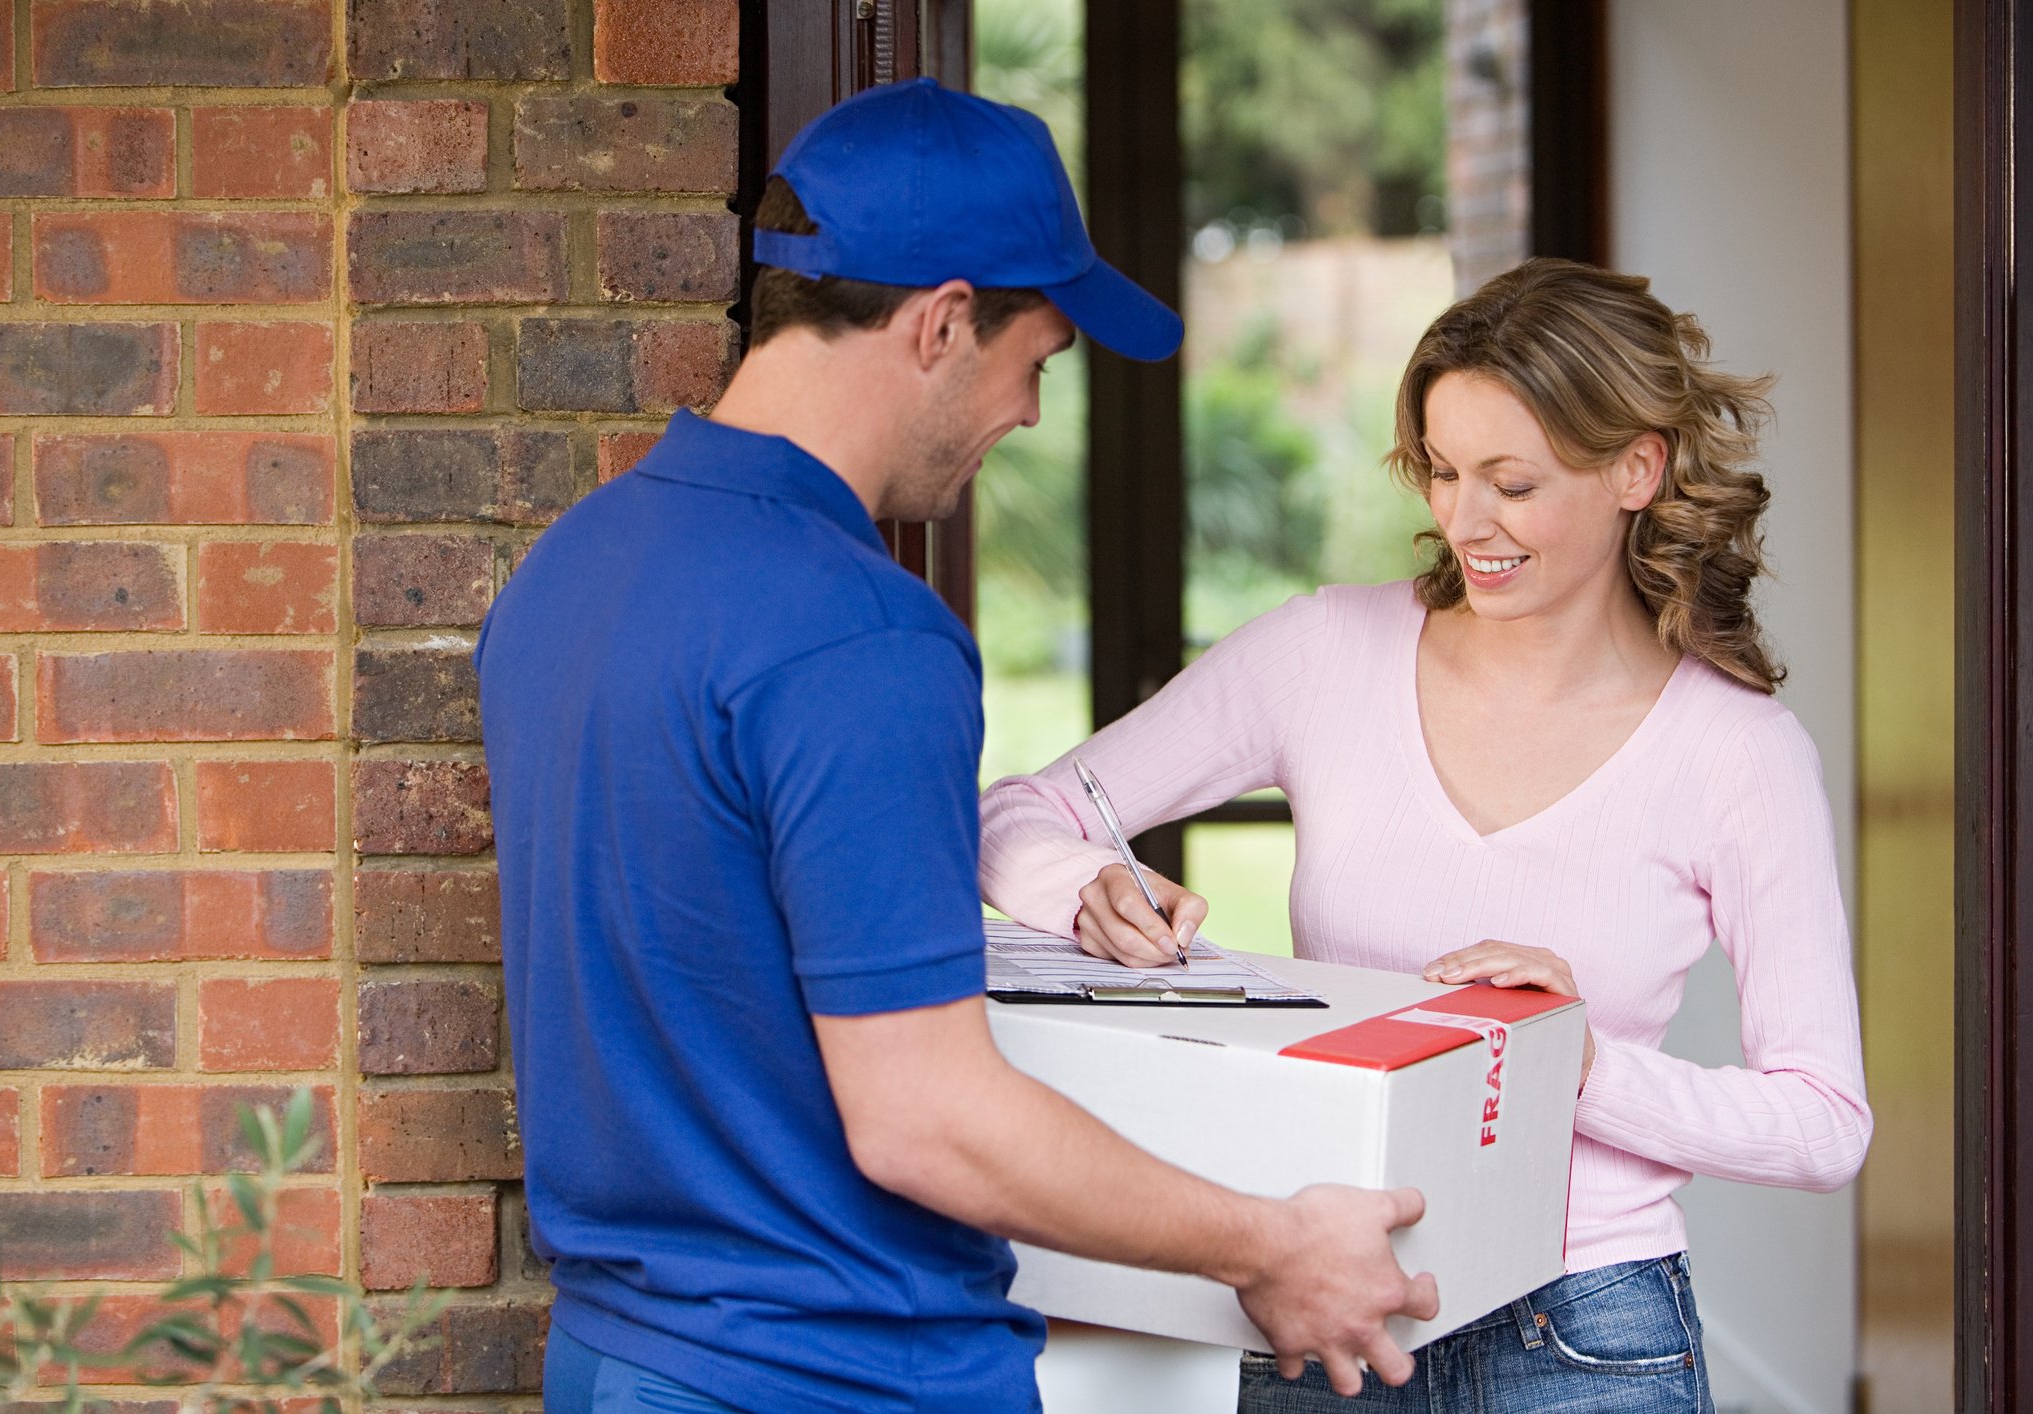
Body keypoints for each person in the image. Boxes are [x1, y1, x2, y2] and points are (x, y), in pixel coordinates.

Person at [476, 77, 1439, 1414]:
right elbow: (926, 1113)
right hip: (834, 1373)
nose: (1031, 414)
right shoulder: (861, 631)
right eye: (1032, 362)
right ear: (940, 322)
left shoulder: (569, 571)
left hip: (617, 1358)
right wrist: (1271, 1243)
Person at [978, 258, 1873, 1412]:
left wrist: (1578, 1062)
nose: (1462, 519)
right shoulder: (1321, 656)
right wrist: (1080, 880)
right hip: (1322, 1304)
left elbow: (1822, 1123)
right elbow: (1018, 811)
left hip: (1587, 1332)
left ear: (1635, 469)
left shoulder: (1736, 751)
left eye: (1510, 481)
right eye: (1442, 472)